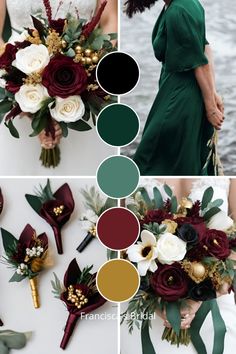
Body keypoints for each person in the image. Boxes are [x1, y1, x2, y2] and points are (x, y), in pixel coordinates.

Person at [0, 0, 117, 175]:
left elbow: (109, 21)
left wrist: (90, 74)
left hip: (86, 92)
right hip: (16, 82)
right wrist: (27, 99)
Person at [121, 177, 236, 353]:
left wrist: (202, 295)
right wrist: (156, 298)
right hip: (144, 298)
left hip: (216, 299)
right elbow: (118, 239)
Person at [125, 0, 224, 176]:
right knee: (178, 160)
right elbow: (205, 49)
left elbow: (200, 62)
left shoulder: (178, 10)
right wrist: (212, 92)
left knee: (148, 159)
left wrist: (210, 106)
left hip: (179, 99)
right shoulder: (186, 3)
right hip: (185, 93)